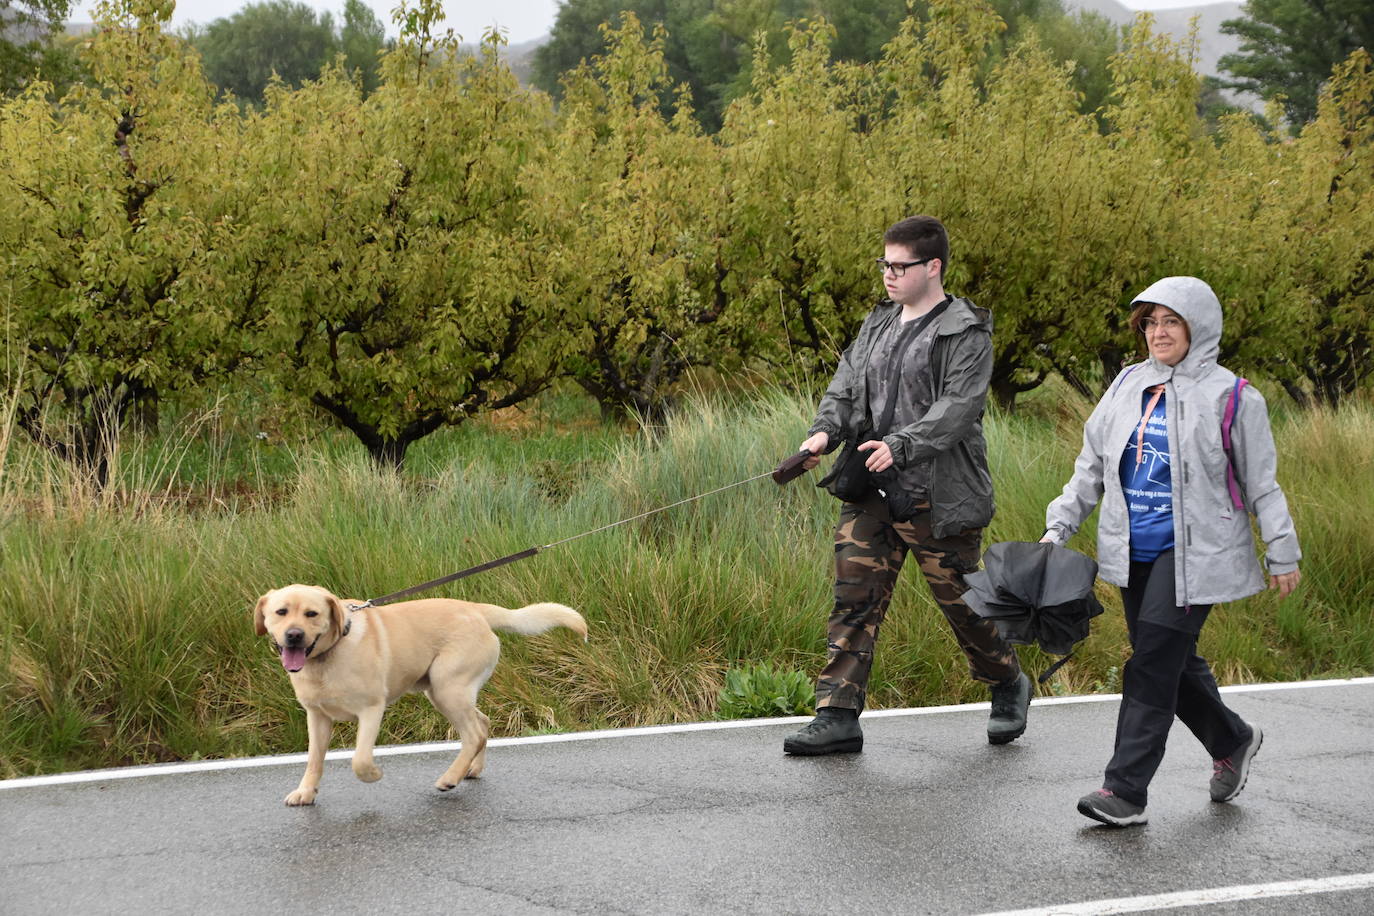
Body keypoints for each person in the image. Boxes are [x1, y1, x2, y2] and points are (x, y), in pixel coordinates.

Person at [1041, 276, 1301, 827]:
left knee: (1151, 665)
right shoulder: (1126, 385)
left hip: (1197, 554)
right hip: (1134, 550)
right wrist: (1058, 527)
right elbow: (1092, 466)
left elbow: (1262, 483)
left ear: (1197, 327)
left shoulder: (1233, 396)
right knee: (1170, 663)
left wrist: (1282, 550)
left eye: (1171, 321)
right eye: (1150, 322)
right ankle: (1234, 738)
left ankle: (1125, 791)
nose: (1158, 332)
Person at [783, 215, 1031, 756]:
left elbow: (958, 410)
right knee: (853, 597)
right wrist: (822, 434)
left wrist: (901, 444)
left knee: (963, 605)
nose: (889, 276)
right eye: (885, 265)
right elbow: (847, 389)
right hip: (872, 490)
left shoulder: (966, 330)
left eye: (900, 266)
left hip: (937, 495)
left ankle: (1008, 680)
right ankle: (837, 714)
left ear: (933, 266)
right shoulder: (878, 323)